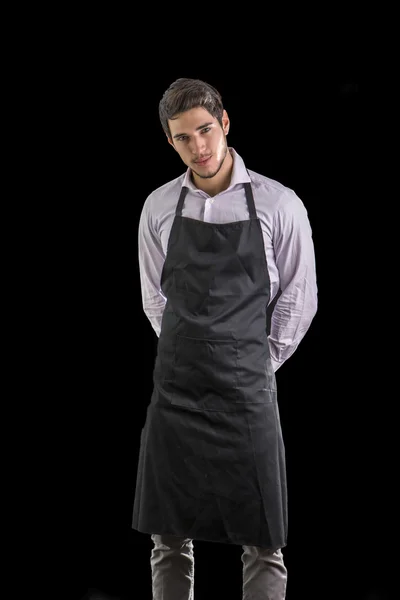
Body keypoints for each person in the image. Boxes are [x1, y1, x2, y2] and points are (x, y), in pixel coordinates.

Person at [132, 77, 318, 600]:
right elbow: (154, 297)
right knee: (168, 536)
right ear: (170, 142)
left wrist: (255, 361)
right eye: (184, 138)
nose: (200, 147)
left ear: (225, 123)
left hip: (247, 391)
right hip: (176, 391)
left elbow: (299, 301)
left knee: (263, 540)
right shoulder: (158, 207)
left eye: (206, 130)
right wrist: (189, 354)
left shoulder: (280, 205)